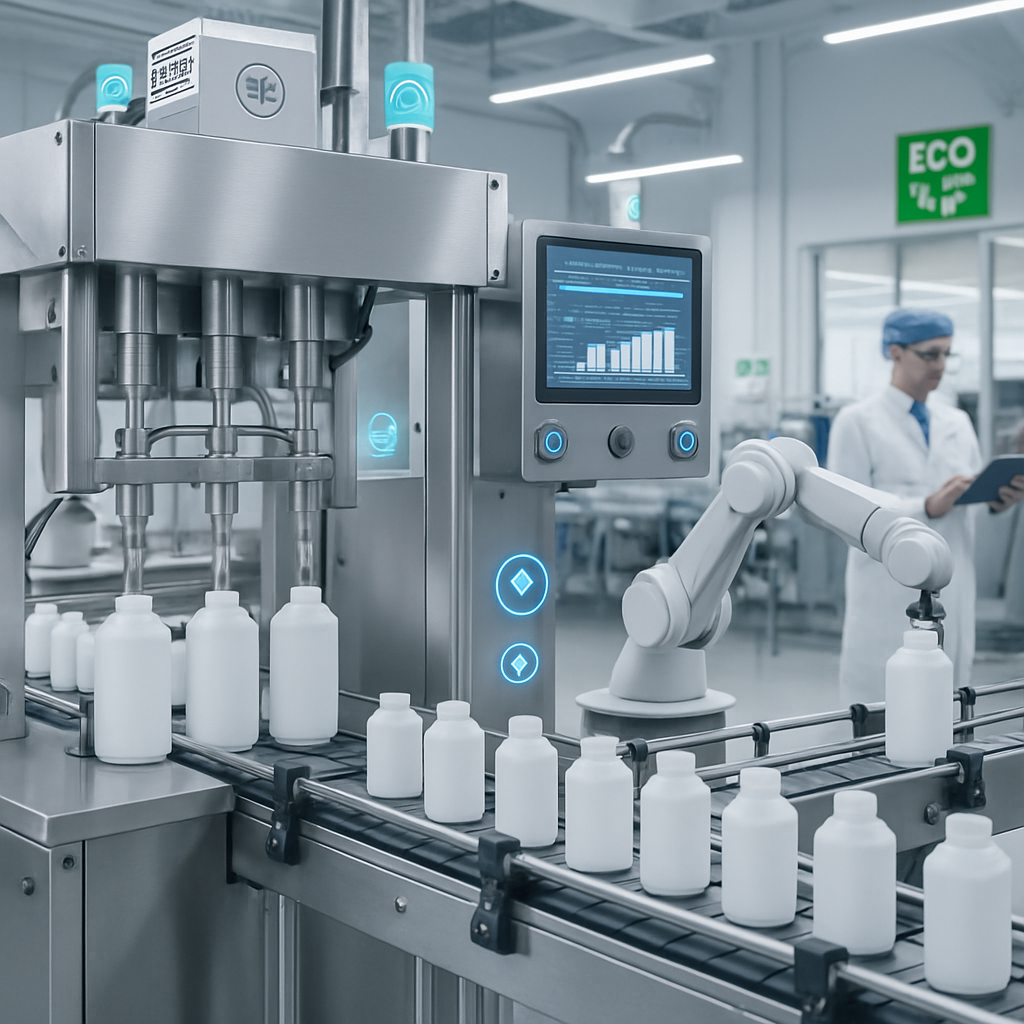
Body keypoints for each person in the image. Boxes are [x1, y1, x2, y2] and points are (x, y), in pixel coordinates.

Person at [827, 308, 1024, 704]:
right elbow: (843, 514)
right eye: (930, 355)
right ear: (895, 352)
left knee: (946, 712)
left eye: (947, 355)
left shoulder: (957, 422)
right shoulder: (857, 421)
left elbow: (970, 503)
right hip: (886, 593)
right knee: (882, 718)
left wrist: (1001, 500)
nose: (941, 366)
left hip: (952, 586)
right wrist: (926, 506)